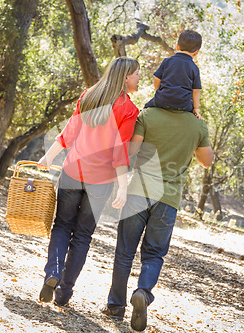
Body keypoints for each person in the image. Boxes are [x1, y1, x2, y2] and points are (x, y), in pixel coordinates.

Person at [37, 56, 141, 306]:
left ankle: (52, 273)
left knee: (61, 226)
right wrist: (123, 188)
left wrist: (48, 157)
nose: (139, 78)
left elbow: (69, 133)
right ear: (126, 77)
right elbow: (120, 152)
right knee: (82, 236)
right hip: (100, 181)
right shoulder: (128, 110)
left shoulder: (89, 96)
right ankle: (63, 293)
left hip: (72, 172)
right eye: (137, 73)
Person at [101, 105, 214, 331]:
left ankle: (115, 306)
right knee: (153, 253)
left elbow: (131, 150)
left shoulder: (148, 115)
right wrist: (197, 132)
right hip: (168, 199)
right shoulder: (197, 124)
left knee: (125, 250)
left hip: (137, 192)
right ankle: (143, 292)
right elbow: (207, 161)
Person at [144, 30, 203, 119]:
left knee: (145, 109)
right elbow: (196, 90)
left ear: (177, 46)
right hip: (183, 105)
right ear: (196, 52)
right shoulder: (194, 68)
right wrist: (196, 108)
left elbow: (156, 79)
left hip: (162, 100)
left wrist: (158, 92)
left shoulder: (167, 61)